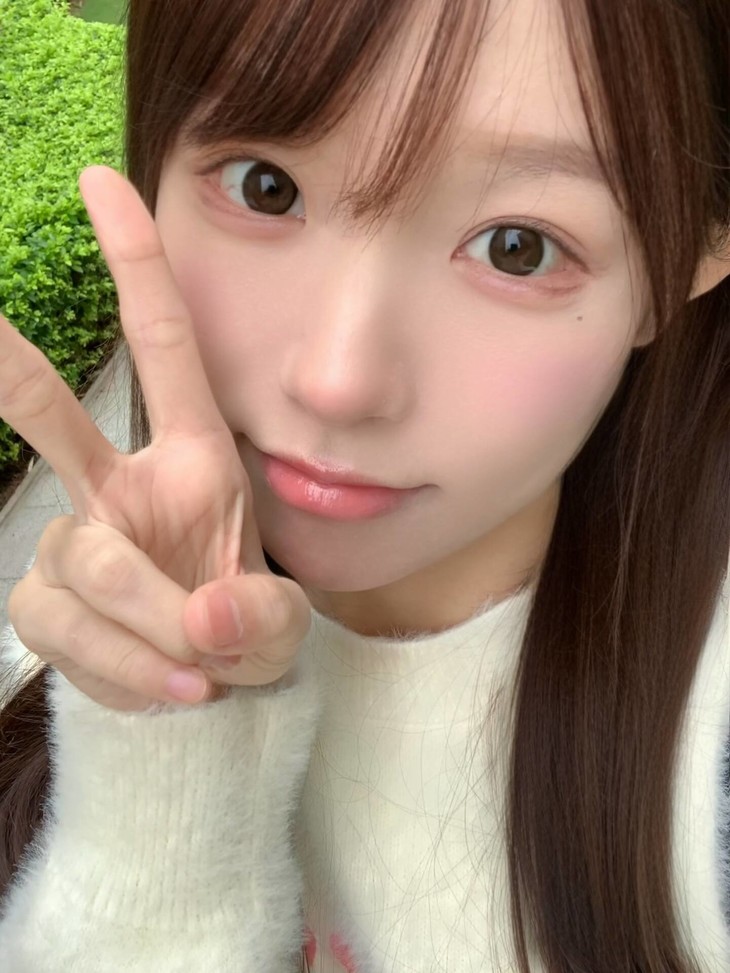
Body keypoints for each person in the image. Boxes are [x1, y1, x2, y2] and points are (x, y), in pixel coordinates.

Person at [0, 0, 728, 969]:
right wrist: (159, 762)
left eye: (518, 246)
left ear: (697, 252)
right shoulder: (78, 652)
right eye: (266, 189)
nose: (337, 380)